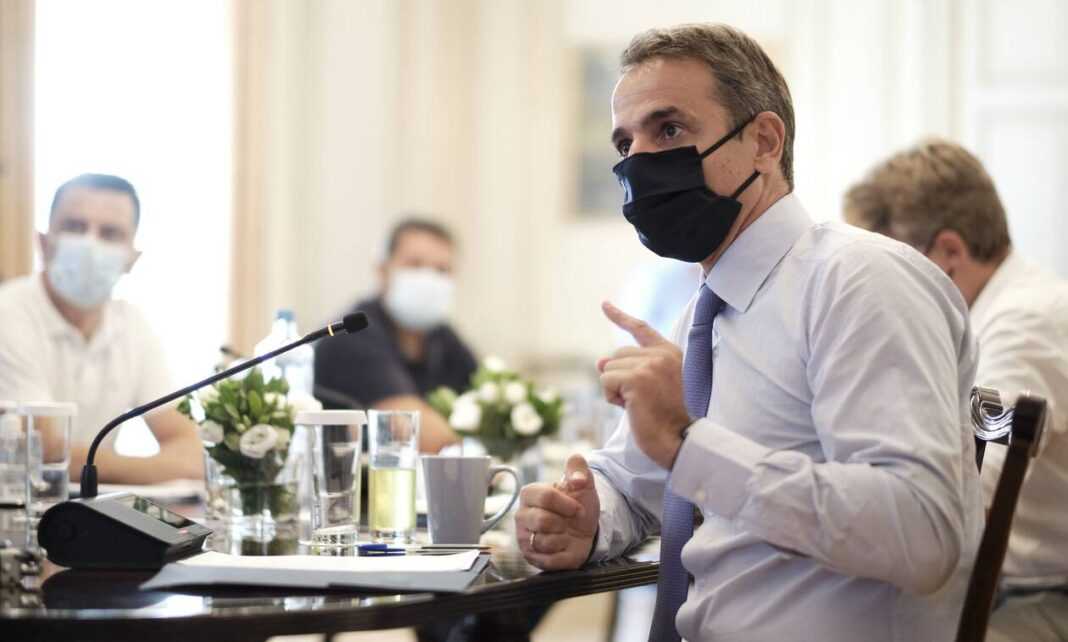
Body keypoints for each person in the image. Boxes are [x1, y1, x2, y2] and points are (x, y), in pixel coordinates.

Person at [514, 24, 984, 641]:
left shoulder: (859, 283)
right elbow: (637, 482)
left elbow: (921, 534)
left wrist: (690, 445)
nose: (640, 163)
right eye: (626, 143)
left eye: (669, 130)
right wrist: (585, 514)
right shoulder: (704, 312)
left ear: (764, 140)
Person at [845, 139, 1068, 642]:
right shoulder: (999, 311)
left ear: (949, 252)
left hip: (1038, 598)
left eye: (895, 269)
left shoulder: (1024, 324)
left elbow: (968, 499)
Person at [0, 173, 203, 483]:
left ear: (132, 259)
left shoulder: (133, 325)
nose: (90, 244)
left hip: (89, 508)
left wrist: (89, 465)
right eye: (75, 227)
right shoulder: (8, 313)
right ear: (43, 242)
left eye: (110, 233)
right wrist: (158, 467)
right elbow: (44, 451)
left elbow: (191, 452)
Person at [314, 217, 476, 454]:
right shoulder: (352, 336)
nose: (428, 280)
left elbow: (488, 405)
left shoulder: (444, 338)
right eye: (415, 265)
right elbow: (416, 433)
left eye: (442, 270)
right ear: (382, 270)